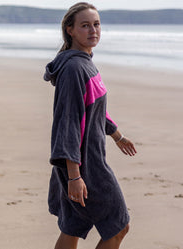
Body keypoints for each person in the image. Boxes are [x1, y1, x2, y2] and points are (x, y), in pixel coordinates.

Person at [44, 2, 137, 249]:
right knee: (119, 226)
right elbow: (69, 122)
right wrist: (74, 176)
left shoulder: (83, 63)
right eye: (85, 25)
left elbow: (94, 111)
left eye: (96, 24)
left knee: (72, 226)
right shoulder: (75, 68)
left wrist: (117, 136)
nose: (93, 30)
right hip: (86, 167)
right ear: (70, 30)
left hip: (78, 165)